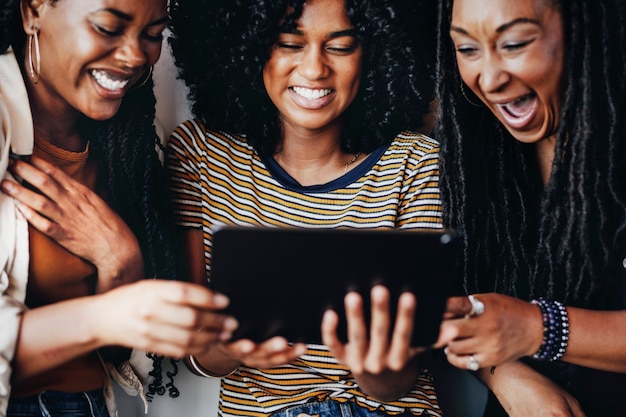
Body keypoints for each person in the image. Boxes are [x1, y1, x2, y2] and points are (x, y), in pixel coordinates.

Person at [166, 0, 443, 416]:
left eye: (341, 46)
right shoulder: (201, 153)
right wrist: (231, 347)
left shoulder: (416, 163)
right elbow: (194, 351)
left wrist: (373, 369)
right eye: (289, 44)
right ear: (248, 48)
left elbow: (403, 377)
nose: (314, 69)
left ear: (376, 53)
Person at [0, 0, 236, 416]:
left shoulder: (136, 147)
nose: (134, 56)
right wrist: (103, 315)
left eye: (152, 35)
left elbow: (110, 351)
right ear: (32, 11)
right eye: (109, 27)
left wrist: (120, 262)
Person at [433, 0, 626, 415]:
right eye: (467, 50)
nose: (489, 77)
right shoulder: (474, 151)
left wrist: (538, 328)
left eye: (515, 43)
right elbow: (454, 304)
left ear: (582, 31)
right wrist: (506, 371)